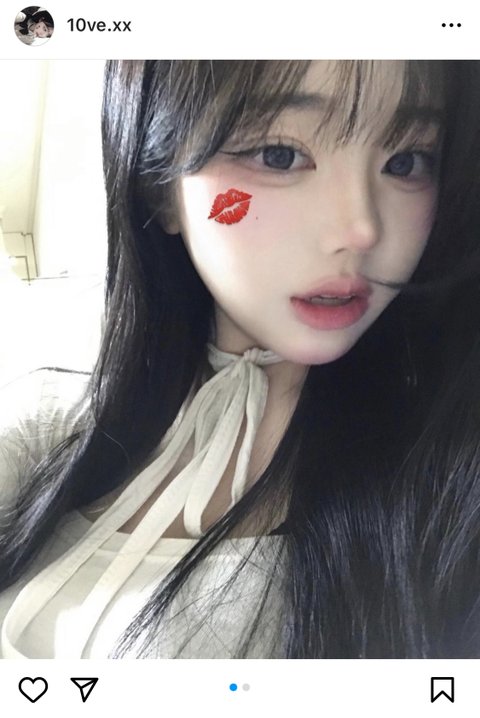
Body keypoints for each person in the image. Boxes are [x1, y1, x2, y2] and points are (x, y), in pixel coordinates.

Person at [1, 60, 480, 659]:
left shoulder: (445, 471)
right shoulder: (48, 422)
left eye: (406, 162)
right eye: (279, 155)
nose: (362, 229)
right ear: (162, 188)